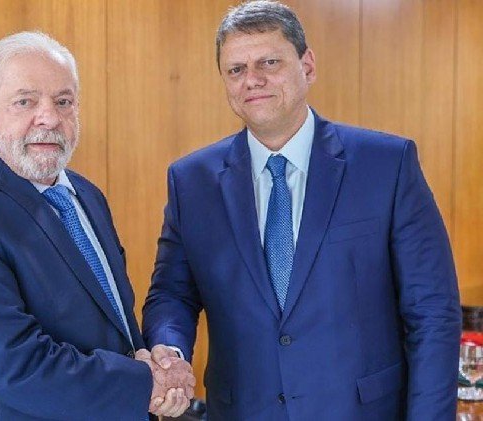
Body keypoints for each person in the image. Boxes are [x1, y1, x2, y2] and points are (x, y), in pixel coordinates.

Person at [142, 1, 461, 420]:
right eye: (236, 69)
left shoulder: (387, 165)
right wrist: (170, 352)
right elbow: (171, 293)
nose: (252, 80)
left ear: (307, 66)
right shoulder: (191, 181)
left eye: (269, 62)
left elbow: (432, 313)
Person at [0, 31, 194, 420]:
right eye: (25, 101)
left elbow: (113, 327)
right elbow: (12, 365)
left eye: (63, 101)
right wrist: (145, 383)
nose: (50, 118)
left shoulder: (86, 195)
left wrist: (155, 364)